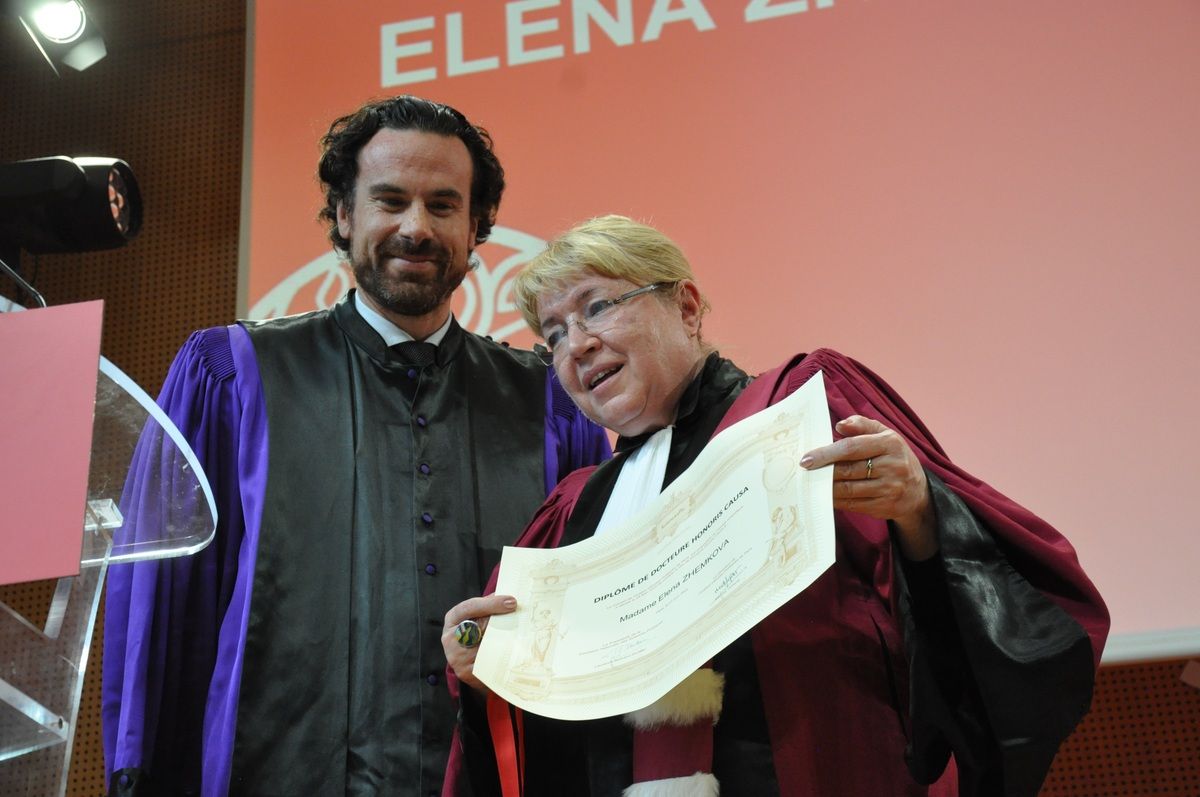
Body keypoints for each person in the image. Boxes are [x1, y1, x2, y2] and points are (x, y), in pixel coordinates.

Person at [441, 215, 1110, 796]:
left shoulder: (802, 406)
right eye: (553, 334)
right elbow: (529, 743)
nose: (575, 346)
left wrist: (919, 511)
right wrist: (484, 675)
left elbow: (982, 612)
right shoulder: (571, 514)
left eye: (596, 307)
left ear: (688, 306)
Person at [101, 96, 611, 797]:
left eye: (442, 205)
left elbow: (600, 613)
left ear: (476, 227)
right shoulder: (233, 376)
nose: (416, 227)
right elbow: (162, 601)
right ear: (344, 215)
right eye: (390, 200)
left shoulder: (549, 404)